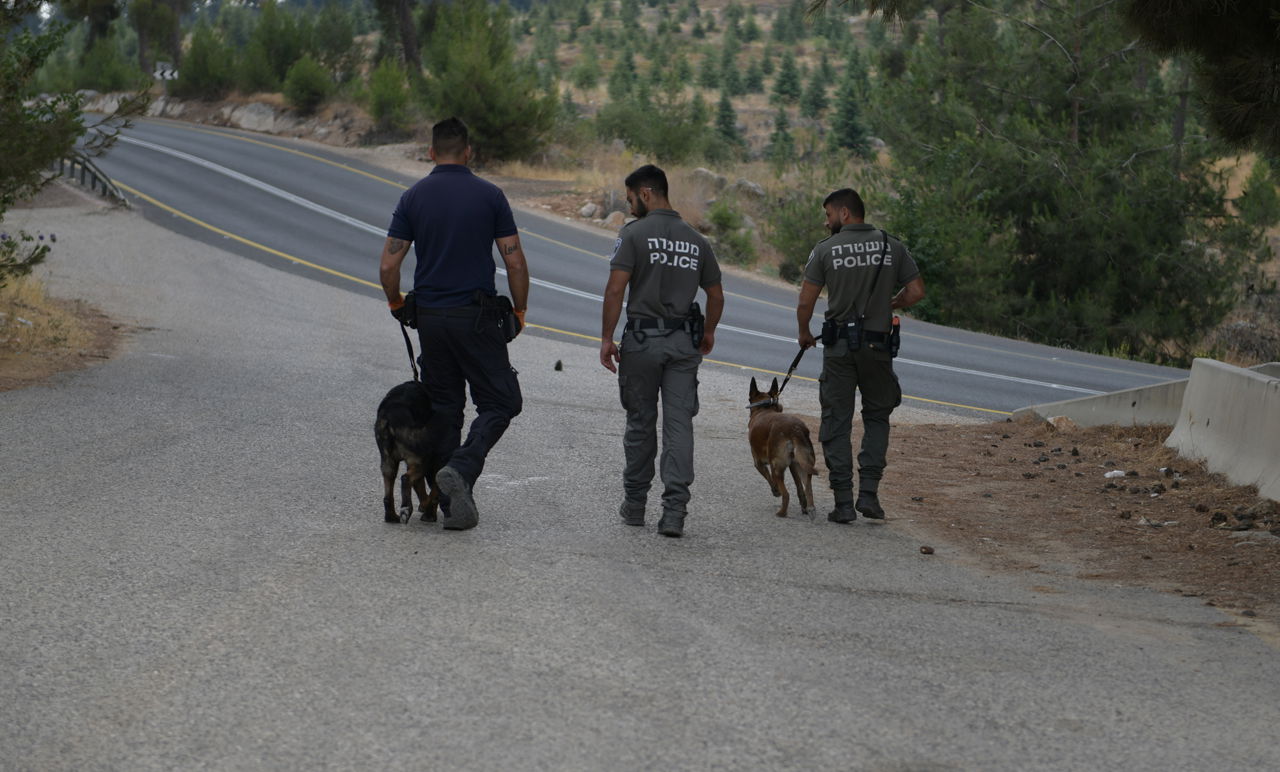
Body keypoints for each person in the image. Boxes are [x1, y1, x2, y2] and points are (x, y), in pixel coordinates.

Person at [378, 117, 530, 531]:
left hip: (430, 318)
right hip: (476, 317)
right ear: (468, 152)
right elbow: (513, 260)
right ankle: (461, 470)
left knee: (445, 409)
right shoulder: (491, 196)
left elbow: (390, 263)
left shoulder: (413, 197)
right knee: (502, 402)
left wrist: (397, 302)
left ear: (431, 152)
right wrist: (519, 311)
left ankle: (447, 504)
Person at [599, 165, 724, 538]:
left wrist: (607, 338)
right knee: (678, 425)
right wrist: (709, 331)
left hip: (642, 342)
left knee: (640, 423)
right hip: (684, 344)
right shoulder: (697, 241)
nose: (629, 203)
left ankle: (635, 506)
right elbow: (716, 295)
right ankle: (674, 513)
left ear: (647, 193)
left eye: (631, 196)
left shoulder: (634, 233)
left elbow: (615, 289)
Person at [796, 188, 925, 523]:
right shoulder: (890, 245)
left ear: (845, 214)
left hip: (839, 349)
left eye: (828, 215)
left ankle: (842, 503)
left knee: (837, 422)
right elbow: (916, 291)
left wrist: (804, 333)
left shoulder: (826, 250)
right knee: (877, 417)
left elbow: (806, 302)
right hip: (878, 347)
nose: (826, 223)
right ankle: (869, 495)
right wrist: (891, 303)